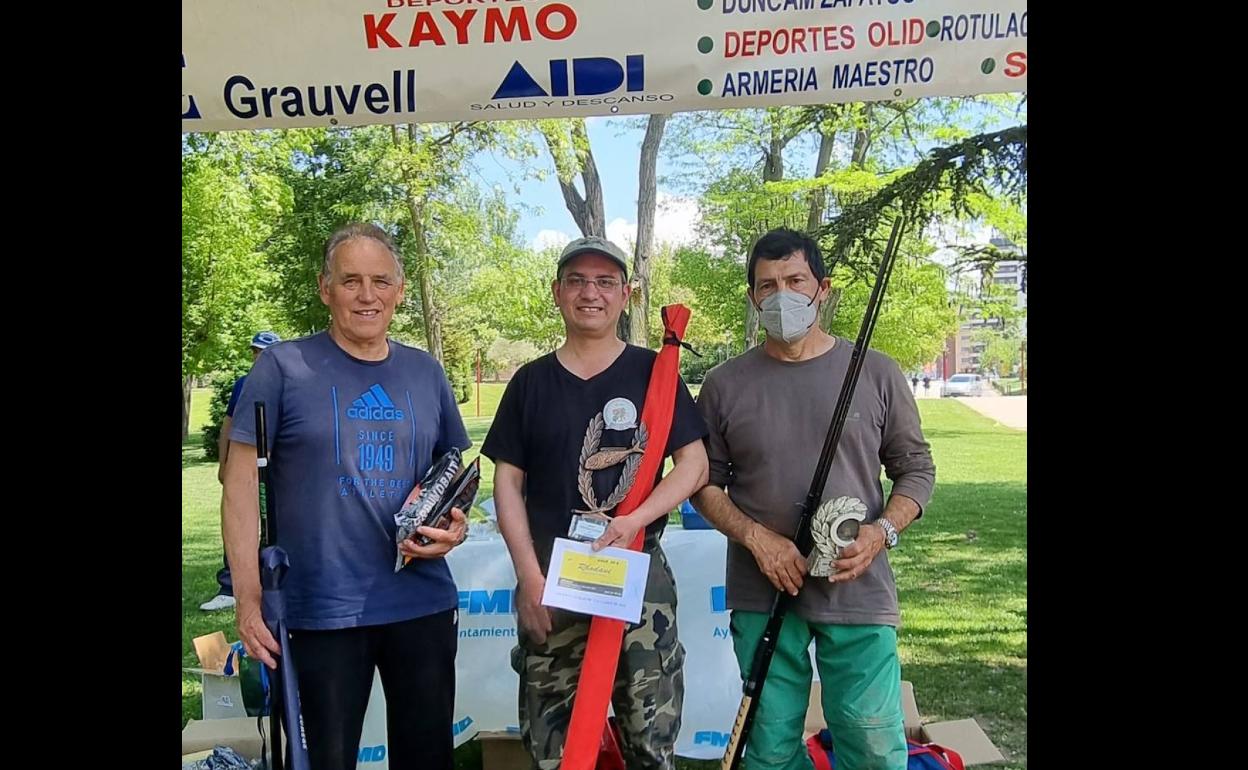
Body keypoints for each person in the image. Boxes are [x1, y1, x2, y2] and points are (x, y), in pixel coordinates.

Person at [222, 222, 471, 770]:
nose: (367, 295)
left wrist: (456, 526)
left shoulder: (426, 372)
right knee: (326, 761)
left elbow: (452, 479)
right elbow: (238, 488)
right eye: (351, 280)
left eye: (381, 281)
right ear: (325, 288)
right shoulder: (282, 368)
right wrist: (247, 597)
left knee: (427, 759)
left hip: (420, 602)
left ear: (400, 291)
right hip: (320, 610)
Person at [692, 228, 935, 770]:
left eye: (795, 280)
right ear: (753, 298)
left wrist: (881, 533)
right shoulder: (724, 384)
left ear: (822, 288)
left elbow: (915, 469)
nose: (782, 295)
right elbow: (703, 483)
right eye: (767, 285)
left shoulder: (876, 372)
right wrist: (758, 539)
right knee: (770, 748)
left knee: (872, 743)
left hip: (858, 584)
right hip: (764, 588)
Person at [482, 235, 709, 770]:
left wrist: (636, 518)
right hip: (551, 580)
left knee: (649, 742)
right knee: (554, 749)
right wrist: (529, 579)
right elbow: (506, 485)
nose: (591, 293)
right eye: (578, 281)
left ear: (625, 295)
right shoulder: (530, 383)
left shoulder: (656, 375)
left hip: (637, 576)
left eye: (606, 282)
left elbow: (693, 465)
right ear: (558, 292)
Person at [200, 331, 281, 612]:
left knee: (276, 527)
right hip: (246, 465)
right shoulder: (243, 385)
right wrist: (225, 464)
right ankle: (230, 586)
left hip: (277, 471)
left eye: (266, 352)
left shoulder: (289, 382)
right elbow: (229, 426)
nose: (260, 357)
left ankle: (272, 580)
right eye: (257, 351)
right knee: (239, 520)